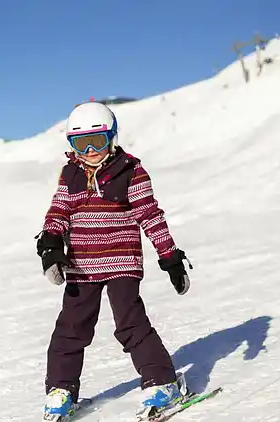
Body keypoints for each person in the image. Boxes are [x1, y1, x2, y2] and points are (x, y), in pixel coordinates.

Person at [35, 101, 193, 421]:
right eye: (82, 143)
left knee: (130, 322)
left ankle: (162, 383)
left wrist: (170, 256)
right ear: (71, 144)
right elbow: (59, 212)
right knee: (70, 328)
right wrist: (50, 242)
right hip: (81, 265)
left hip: (121, 260)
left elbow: (150, 216)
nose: (91, 150)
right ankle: (61, 389)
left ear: (112, 137)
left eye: (99, 141)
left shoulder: (130, 171)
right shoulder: (70, 174)